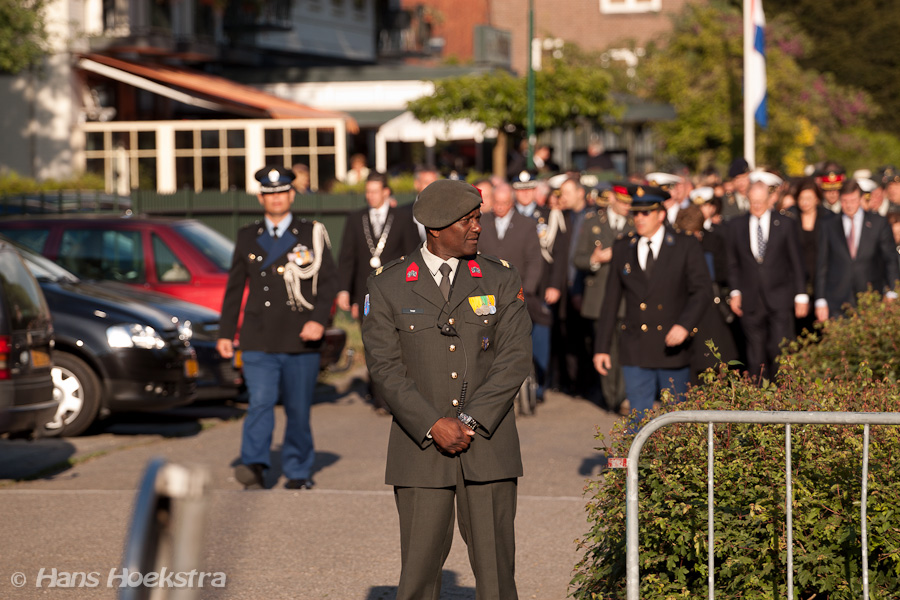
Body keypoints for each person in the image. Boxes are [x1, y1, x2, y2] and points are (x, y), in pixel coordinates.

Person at [361, 179, 532, 600]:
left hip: (487, 446)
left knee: (497, 579)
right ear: (436, 227)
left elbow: (515, 359)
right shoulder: (388, 285)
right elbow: (385, 368)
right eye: (468, 220)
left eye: (478, 218)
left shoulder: (500, 278)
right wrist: (432, 423)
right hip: (419, 449)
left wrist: (469, 420)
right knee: (417, 577)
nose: (478, 227)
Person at [218, 166, 338, 490]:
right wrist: (226, 333)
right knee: (260, 401)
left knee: (298, 408)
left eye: (282, 192)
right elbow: (234, 288)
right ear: (260, 197)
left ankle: (298, 469)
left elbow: (328, 284)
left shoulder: (311, 232)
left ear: (292, 195)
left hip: (301, 336)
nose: (276, 199)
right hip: (258, 337)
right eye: (269, 194)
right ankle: (254, 464)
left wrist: (319, 321)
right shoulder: (247, 235)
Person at [593, 184, 711, 426]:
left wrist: (684, 325)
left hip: (672, 347)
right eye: (635, 213)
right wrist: (602, 347)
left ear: (661, 214)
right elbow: (611, 300)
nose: (639, 218)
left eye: (646, 213)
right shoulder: (622, 246)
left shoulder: (684, 245)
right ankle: (639, 465)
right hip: (636, 346)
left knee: (675, 422)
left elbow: (702, 291)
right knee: (639, 420)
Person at [725, 181, 807, 381]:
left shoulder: (786, 224)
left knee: (780, 351)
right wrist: (734, 292)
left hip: (780, 296)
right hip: (751, 299)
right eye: (753, 202)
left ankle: (781, 398)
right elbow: (732, 262)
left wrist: (801, 295)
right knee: (755, 355)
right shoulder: (736, 225)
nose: (757, 206)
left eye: (761, 201)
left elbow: (796, 261)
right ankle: (758, 400)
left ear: (770, 199)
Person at [573, 185, 634, 411]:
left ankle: (623, 395)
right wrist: (595, 259)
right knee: (605, 348)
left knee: (626, 349)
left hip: (627, 298)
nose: (628, 207)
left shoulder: (634, 224)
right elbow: (578, 259)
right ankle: (612, 398)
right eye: (624, 202)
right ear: (613, 200)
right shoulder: (592, 223)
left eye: (630, 203)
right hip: (600, 296)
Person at [337, 171, 419, 320]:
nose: (370, 196)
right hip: (364, 291)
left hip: (396, 290)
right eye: (368, 192)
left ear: (386, 192)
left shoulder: (402, 217)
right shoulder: (355, 219)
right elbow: (346, 258)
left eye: (374, 191)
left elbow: (412, 255)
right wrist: (344, 290)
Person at [815, 179, 900, 320]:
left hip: (871, 296)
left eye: (853, 200)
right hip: (837, 298)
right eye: (845, 201)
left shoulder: (878, 223)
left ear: (861, 199)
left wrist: (893, 291)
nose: (849, 205)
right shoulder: (828, 224)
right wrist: (820, 300)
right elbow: (822, 264)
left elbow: (889, 260)